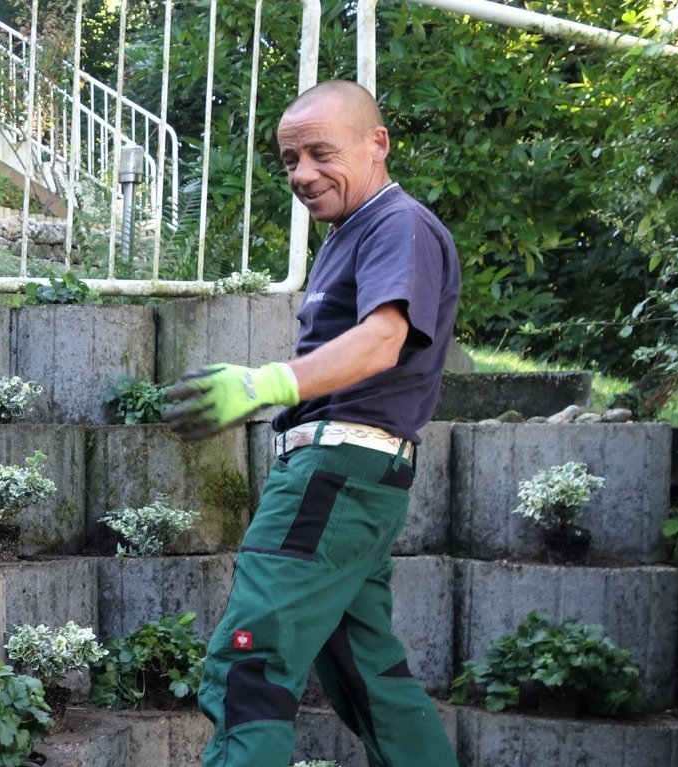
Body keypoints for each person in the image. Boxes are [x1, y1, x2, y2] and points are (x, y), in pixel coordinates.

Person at [162, 80, 461, 766]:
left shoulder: (396, 223)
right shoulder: (356, 232)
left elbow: (385, 338)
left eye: (320, 153)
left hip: (335, 472)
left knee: (248, 665)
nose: (302, 174)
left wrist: (267, 382)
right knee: (368, 676)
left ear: (376, 143)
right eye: (291, 160)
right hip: (355, 477)